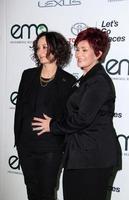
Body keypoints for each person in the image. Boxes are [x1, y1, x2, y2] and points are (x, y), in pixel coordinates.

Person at [32, 27, 122, 200]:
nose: (78, 54)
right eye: (77, 49)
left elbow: (81, 119)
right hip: (78, 156)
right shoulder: (85, 79)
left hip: (94, 159)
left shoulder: (99, 81)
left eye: (84, 50)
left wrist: (52, 125)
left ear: (98, 53)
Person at [14, 31, 76, 200]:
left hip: (51, 147)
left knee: (47, 192)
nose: (40, 52)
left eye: (45, 47)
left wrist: (53, 124)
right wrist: (19, 140)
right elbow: (20, 109)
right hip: (26, 145)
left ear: (56, 50)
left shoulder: (68, 81)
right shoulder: (27, 75)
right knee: (32, 191)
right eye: (38, 48)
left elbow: (70, 118)